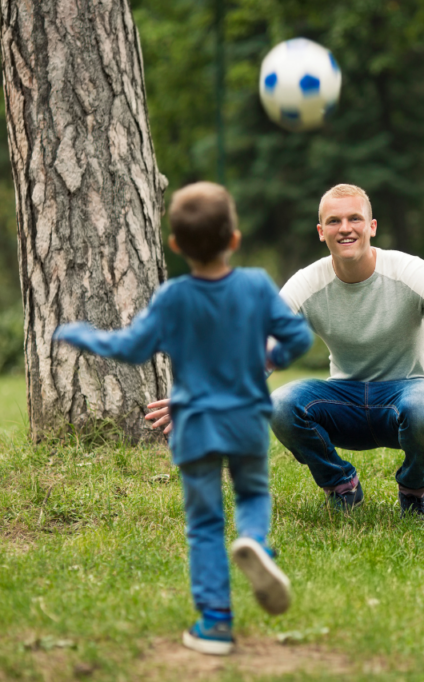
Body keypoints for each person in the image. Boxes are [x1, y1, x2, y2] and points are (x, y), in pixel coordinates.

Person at [147, 183, 424, 517]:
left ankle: (412, 489)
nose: (346, 228)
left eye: (354, 218)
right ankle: (342, 486)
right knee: (281, 403)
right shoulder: (307, 284)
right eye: (334, 221)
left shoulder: (411, 273)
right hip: (346, 401)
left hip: (407, 396)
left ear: (371, 225)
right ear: (320, 232)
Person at [54, 182, 312, 656]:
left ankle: (215, 623)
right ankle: (255, 541)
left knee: (205, 524)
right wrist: (269, 353)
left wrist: (84, 334)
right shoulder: (255, 285)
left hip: (194, 426)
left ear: (175, 246)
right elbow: (298, 338)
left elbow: (130, 348)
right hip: (247, 420)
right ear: (234, 239)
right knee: (253, 492)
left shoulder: (172, 297)